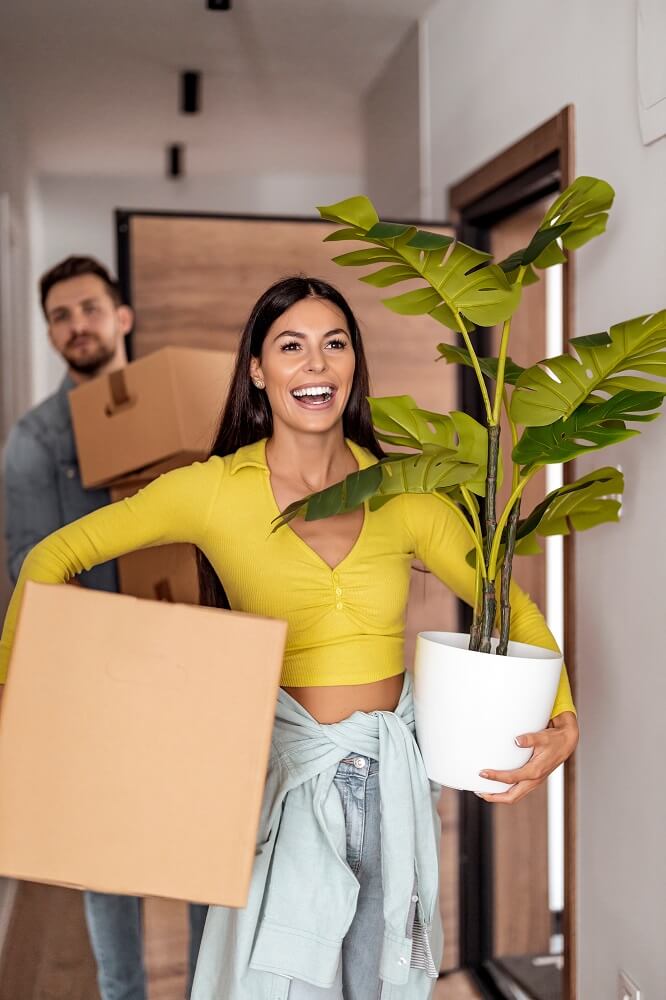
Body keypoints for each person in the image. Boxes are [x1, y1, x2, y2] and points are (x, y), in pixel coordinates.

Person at [0, 276, 579, 999]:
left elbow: (508, 605)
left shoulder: (404, 491)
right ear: (257, 369)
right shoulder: (212, 489)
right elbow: (49, 558)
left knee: (383, 988)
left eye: (334, 344)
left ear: (354, 364)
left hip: (395, 790)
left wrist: (563, 718)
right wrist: (21, 706)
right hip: (277, 787)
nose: (316, 364)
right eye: (291, 346)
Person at [1, 255, 207, 1000]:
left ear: (122, 317)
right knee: (109, 867)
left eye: (89, 308)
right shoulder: (34, 440)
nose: (76, 326)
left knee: (200, 853)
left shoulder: (179, 407)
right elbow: (28, 566)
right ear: (50, 333)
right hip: (97, 679)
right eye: (60, 316)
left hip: (187, 664)